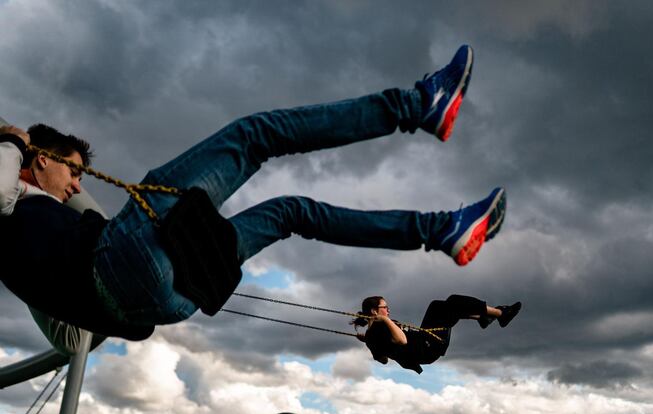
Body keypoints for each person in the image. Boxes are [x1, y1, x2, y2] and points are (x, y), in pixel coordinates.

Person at [0, 45, 509, 341]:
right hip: (126, 257)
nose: (77, 185)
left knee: (291, 211)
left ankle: (444, 230)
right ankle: (420, 104)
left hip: (171, 303)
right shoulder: (13, 202)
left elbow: (73, 338)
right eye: (73, 173)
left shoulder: (33, 251)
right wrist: (11, 139)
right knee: (254, 136)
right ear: (41, 159)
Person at [354, 295, 522, 373]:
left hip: (424, 341)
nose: (388, 310)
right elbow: (402, 340)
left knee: (442, 307)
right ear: (374, 310)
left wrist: (369, 342)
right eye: (385, 307)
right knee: (451, 303)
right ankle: (500, 314)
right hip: (428, 346)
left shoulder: (372, 337)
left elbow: (382, 360)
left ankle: (484, 317)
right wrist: (384, 323)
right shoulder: (379, 328)